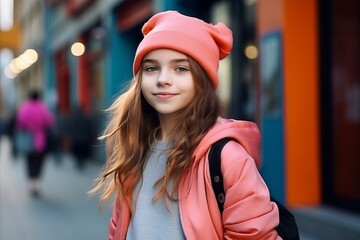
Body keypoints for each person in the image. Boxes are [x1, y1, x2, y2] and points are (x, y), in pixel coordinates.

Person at [90, 11, 280, 239]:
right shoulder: (135, 148)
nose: (163, 79)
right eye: (151, 68)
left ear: (202, 80)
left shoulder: (228, 158)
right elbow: (118, 228)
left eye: (180, 68)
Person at [16, 90, 54, 197]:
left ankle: (31, 184)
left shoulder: (25, 108)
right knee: (39, 162)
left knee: (29, 161)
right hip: (40, 139)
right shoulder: (42, 108)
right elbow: (49, 121)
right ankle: (37, 183)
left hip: (28, 139)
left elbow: (20, 121)